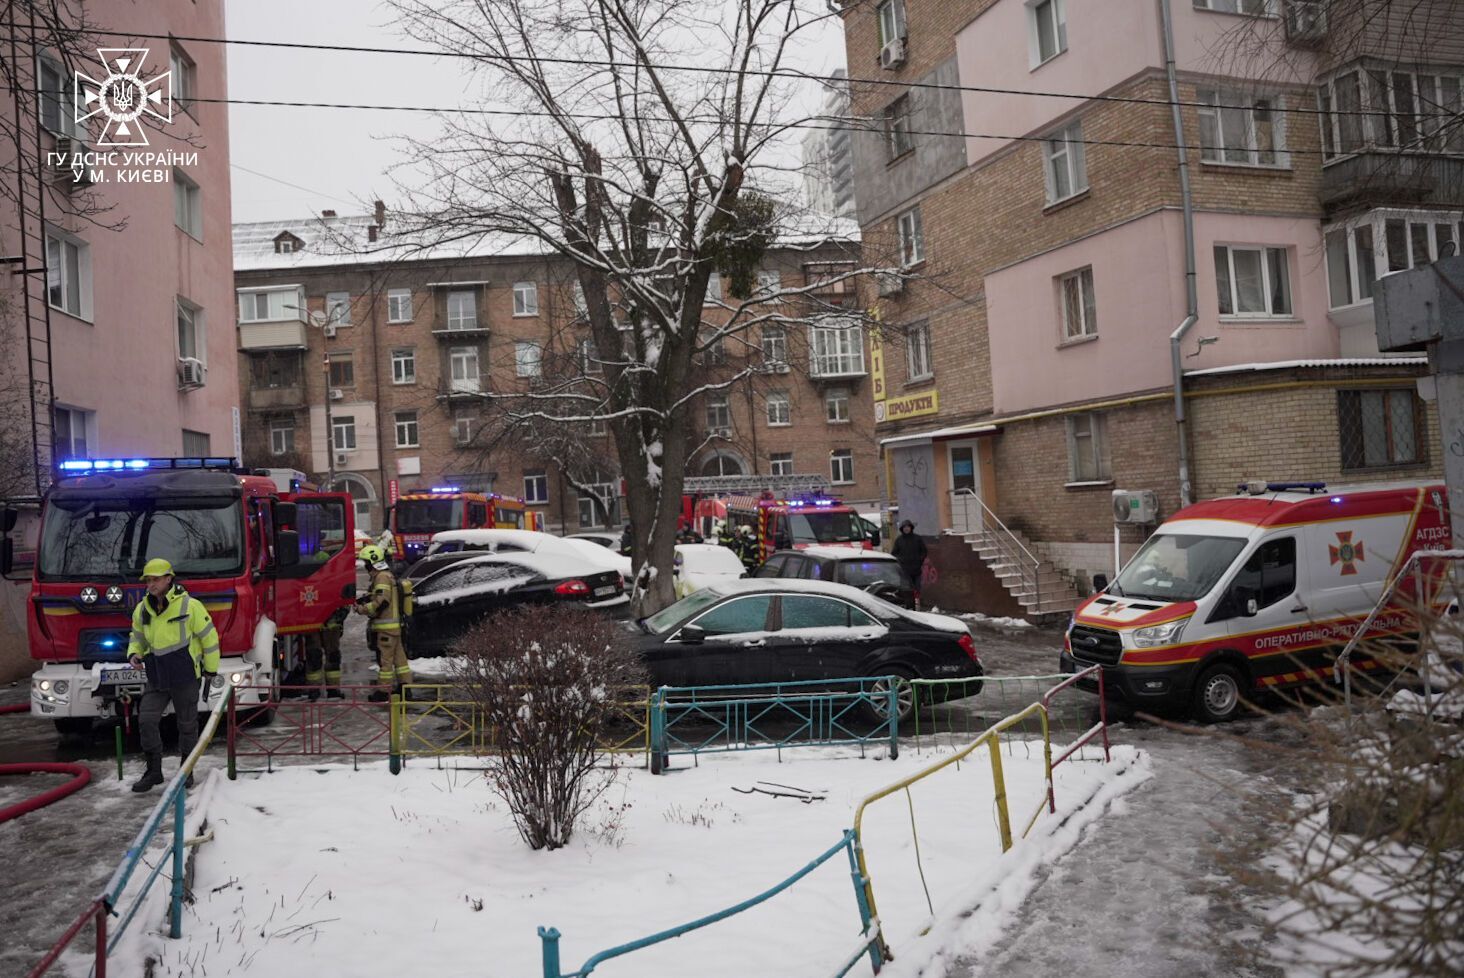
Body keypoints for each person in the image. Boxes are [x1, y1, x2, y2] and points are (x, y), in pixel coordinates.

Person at [126, 558, 220, 793]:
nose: (151, 584)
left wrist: (210, 669)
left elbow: (209, 638)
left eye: (155, 579)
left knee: (187, 725)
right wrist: (134, 653)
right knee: (146, 720)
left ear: (169, 579)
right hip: (157, 676)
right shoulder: (142, 609)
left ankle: (185, 772)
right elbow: (136, 636)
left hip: (184, 675)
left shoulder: (190, 606)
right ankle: (154, 772)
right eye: (148, 580)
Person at [356, 545, 411, 702]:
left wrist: (362, 609)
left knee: (385, 661)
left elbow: (381, 602)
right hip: (394, 628)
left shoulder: (381, 577)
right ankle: (405, 688)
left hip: (386, 629)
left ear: (372, 562)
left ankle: (383, 691)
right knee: (400, 661)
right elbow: (380, 596)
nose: (365, 566)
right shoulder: (386, 575)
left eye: (366, 563)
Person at [303, 607, 347, 701]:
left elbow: (345, 596)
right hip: (312, 621)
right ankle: (313, 689)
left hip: (332, 622)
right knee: (314, 656)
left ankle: (333, 689)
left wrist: (344, 610)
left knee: (333, 656)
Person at [891, 520, 929, 608]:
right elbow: (894, 553)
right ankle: (909, 606)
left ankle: (917, 606)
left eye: (908, 527)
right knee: (907, 590)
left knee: (917, 589)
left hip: (916, 569)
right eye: (904, 527)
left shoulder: (917, 539)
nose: (906, 529)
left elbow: (924, 551)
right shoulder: (899, 540)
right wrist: (900, 561)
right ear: (902, 529)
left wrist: (920, 560)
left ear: (911, 528)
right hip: (904, 571)